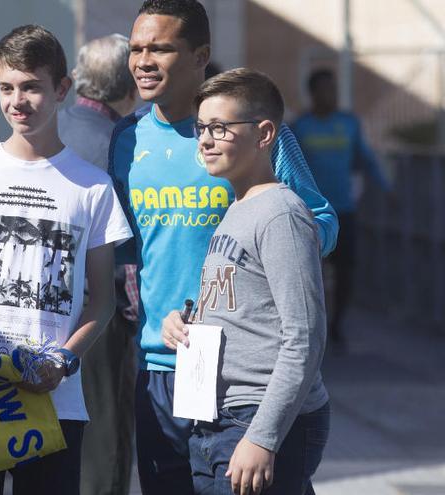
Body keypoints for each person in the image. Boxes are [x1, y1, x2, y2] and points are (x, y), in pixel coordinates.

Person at [107, 1, 338, 493]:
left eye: (161, 48)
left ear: (200, 55)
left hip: (244, 378)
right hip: (164, 367)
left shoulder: (250, 133)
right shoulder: (126, 139)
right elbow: (134, 249)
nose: (143, 61)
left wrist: (269, 261)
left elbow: (318, 220)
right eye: (137, 49)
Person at [0, 24, 132, 495]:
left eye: (32, 86)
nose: (17, 100)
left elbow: (101, 301)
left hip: (54, 403)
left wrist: (64, 360)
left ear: (62, 89)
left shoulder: (92, 186)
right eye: (6, 87)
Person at [162, 68, 330, 495]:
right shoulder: (238, 208)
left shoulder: (281, 213)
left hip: (256, 419)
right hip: (217, 418)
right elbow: (244, 308)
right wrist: (183, 322)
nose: (204, 140)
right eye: (201, 128)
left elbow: (305, 335)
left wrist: (263, 436)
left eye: (220, 128)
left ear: (264, 133)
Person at [56, 33, 138, 495]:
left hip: (41, 307)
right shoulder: (120, 144)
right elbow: (126, 247)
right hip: (98, 310)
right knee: (105, 434)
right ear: (129, 84)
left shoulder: (50, 130)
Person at [292, 68, 391, 349]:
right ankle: (313, 328)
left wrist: (386, 187)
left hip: (344, 210)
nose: (331, 95)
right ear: (312, 93)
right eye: (325, 89)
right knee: (311, 274)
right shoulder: (301, 126)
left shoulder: (349, 123)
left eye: (334, 89)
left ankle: (337, 325)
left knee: (346, 271)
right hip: (309, 213)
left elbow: (366, 159)